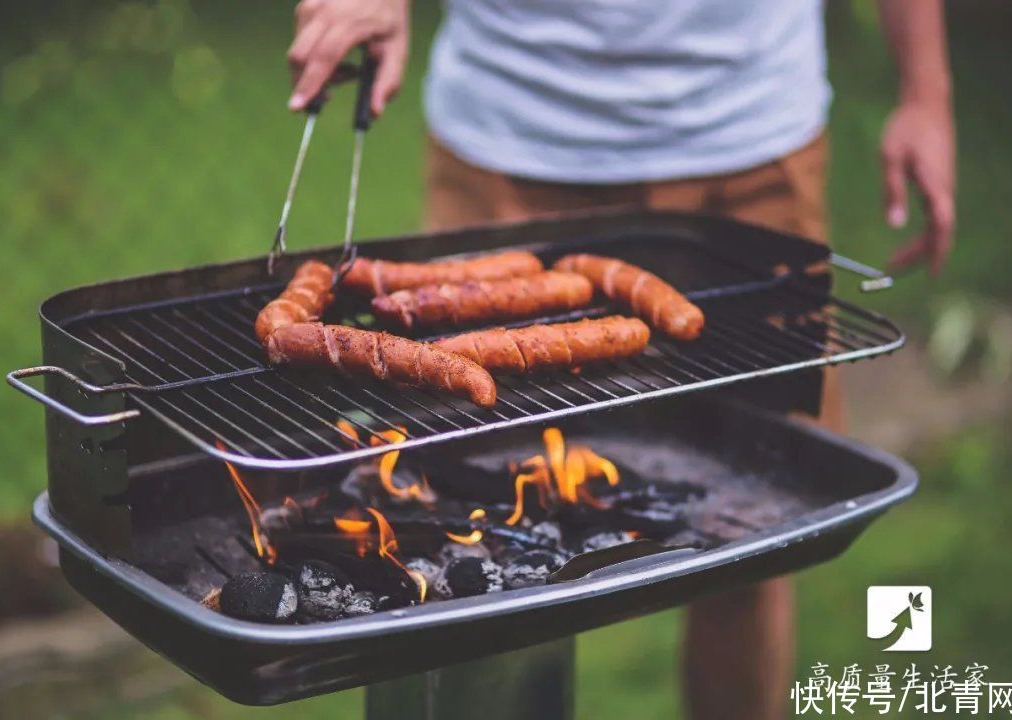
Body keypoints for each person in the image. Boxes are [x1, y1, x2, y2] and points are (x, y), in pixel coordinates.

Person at [286, 2, 955, 717]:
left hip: (749, 136)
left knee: (756, 543)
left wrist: (925, 93)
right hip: (511, 133)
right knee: (466, 536)